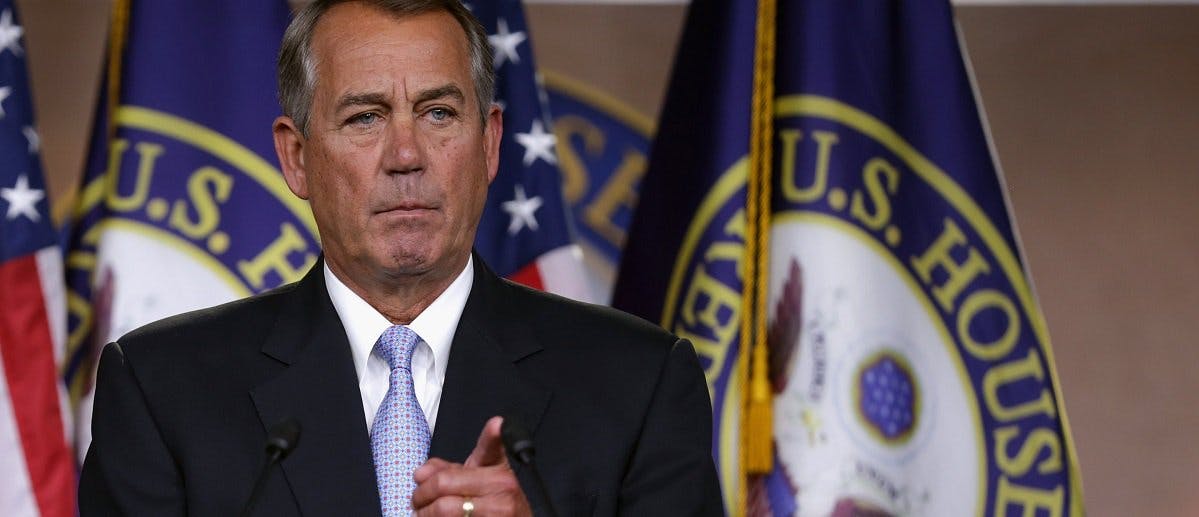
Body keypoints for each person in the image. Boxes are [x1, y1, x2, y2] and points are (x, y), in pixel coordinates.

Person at [77, 0, 724, 515]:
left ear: (490, 144)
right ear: (296, 157)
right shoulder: (163, 389)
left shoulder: (640, 383)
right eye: (365, 117)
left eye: (438, 113)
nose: (406, 155)